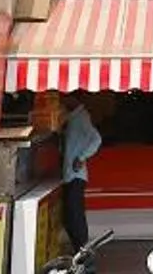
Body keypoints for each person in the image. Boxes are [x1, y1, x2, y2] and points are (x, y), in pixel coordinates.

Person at [59, 93, 103, 249]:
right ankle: (80, 251)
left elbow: (96, 139)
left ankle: (83, 252)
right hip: (69, 175)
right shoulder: (71, 118)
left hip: (76, 175)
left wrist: (82, 157)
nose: (62, 101)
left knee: (75, 217)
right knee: (69, 217)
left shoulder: (82, 117)